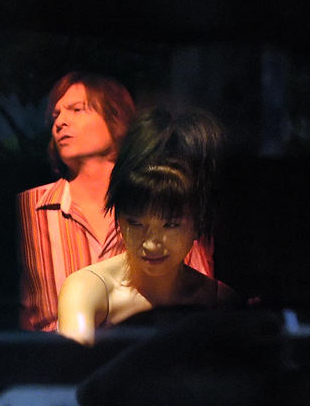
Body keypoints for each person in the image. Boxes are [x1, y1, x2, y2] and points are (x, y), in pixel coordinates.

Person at [17, 71, 214, 332]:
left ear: (117, 117)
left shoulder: (167, 201)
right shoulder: (28, 208)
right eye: (55, 115)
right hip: (57, 363)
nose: (61, 121)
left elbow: (201, 294)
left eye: (77, 109)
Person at [56, 107, 239, 346]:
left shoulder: (220, 300)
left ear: (199, 222)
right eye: (135, 222)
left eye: (171, 225)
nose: (151, 243)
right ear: (118, 216)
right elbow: (71, 372)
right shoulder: (88, 290)